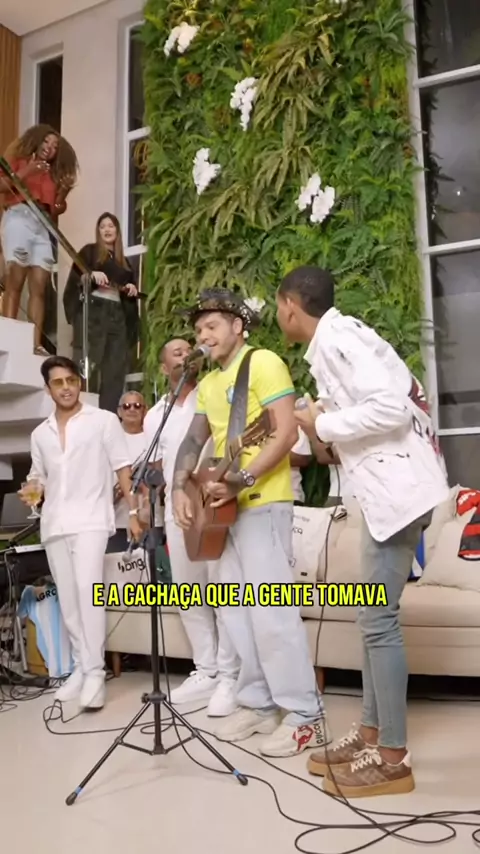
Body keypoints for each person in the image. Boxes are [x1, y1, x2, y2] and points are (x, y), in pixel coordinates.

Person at [276, 266, 450, 796]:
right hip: (389, 495)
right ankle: (372, 735)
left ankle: (393, 758)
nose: (278, 315)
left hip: (399, 496)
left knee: (377, 619)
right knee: (371, 616)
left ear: (290, 305)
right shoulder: (336, 342)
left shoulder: (339, 338)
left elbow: (390, 408)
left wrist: (321, 423)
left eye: (278, 307)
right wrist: (323, 426)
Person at [172, 289, 328, 758]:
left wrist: (241, 479)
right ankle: (259, 702)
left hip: (264, 503)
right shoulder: (208, 384)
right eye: (198, 330)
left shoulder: (262, 363)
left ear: (238, 326)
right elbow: (193, 439)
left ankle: (305, 715)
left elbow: (285, 432)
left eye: (212, 326)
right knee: (236, 615)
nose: (203, 335)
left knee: (272, 614)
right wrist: (179, 485)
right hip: (223, 514)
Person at [19, 356, 142, 710]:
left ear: (79, 383)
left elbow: (122, 468)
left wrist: (134, 512)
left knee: (89, 597)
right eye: (58, 383)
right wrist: (33, 488)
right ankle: (79, 666)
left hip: (91, 520)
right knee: (69, 600)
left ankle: (95, 673)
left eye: (71, 380)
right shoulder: (39, 433)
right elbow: (38, 475)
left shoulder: (102, 421)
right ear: (48, 389)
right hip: (54, 523)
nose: (66, 388)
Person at [143, 337, 239, 716]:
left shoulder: (214, 392)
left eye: (189, 349)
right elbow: (157, 466)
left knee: (222, 590)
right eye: (177, 352)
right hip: (177, 509)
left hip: (214, 504)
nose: (186, 355)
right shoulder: (155, 415)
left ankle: (231, 676)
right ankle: (206, 669)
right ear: (164, 367)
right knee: (188, 593)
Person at [0, 124, 78, 355]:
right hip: (19, 216)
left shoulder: (52, 173)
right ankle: (6, 339)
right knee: (15, 280)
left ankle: (35, 345)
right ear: (36, 140)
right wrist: (28, 170)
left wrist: (63, 192)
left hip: (42, 225)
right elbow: (3, 186)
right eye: (46, 141)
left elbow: (56, 209)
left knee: (39, 288)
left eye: (55, 146)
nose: (50, 147)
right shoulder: (19, 159)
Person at [63, 212, 139, 412]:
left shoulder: (124, 261)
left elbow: (128, 292)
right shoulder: (89, 252)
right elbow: (76, 280)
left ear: (117, 231)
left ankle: (108, 415)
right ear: (98, 231)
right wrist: (90, 275)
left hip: (117, 314)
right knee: (88, 364)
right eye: (102, 226)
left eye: (111, 226)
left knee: (115, 368)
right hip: (95, 311)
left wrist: (131, 288)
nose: (107, 229)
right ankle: (80, 413)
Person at [110, 390, 150, 553]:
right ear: (119, 411)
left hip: (150, 522)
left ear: (145, 410)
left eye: (137, 405)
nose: (132, 409)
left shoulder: (153, 438)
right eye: (126, 406)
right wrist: (123, 487)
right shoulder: (109, 439)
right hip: (117, 523)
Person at [290, 427, 312, 505]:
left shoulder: (293, 422)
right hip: (256, 495)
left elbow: (301, 458)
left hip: (289, 496)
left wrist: (268, 453)